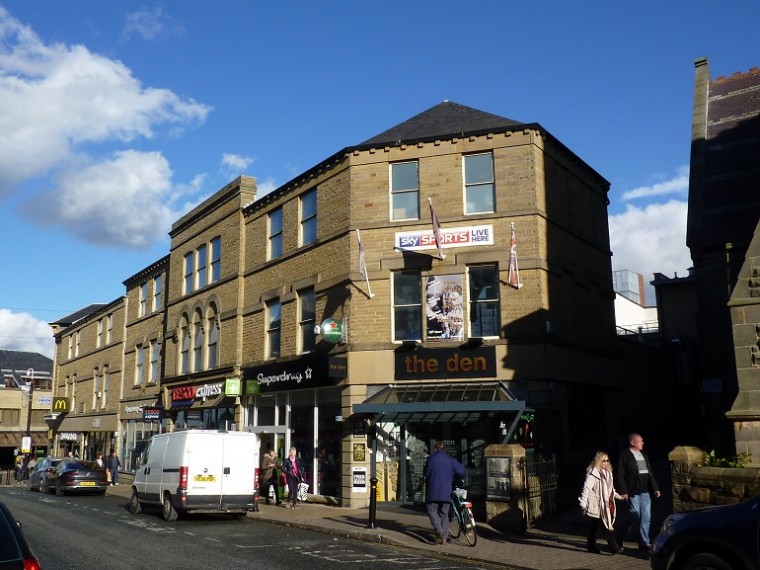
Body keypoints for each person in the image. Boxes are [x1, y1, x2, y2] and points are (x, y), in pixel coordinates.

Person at [615, 432, 661, 551]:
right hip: (633, 492)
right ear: (632, 442)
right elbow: (620, 474)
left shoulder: (643, 455)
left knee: (646, 517)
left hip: (645, 492)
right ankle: (618, 537)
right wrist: (623, 491)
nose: (642, 443)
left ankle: (644, 543)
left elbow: (649, 473)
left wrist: (655, 488)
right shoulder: (624, 455)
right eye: (640, 441)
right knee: (634, 516)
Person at [579, 451, 624, 555]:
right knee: (606, 525)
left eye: (607, 460)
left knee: (595, 526)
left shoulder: (608, 473)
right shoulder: (593, 474)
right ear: (598, 461)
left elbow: (610, 489)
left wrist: (618, 496)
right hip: (597, 504)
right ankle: (614, 547)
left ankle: (591, 546)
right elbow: (586, 489)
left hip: (605, 504)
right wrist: (583, 503)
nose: (606, 463)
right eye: (603, 461)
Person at [424, 440, 466, 545]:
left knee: (431, 510)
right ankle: (443, 539)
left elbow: (426, 474)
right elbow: (462, 471)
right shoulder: (450, 460)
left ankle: (439, 530)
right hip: (447, 491)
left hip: (433, 491)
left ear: (435, 449)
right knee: (444, 514)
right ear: (444, 450)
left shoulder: (430, 459)